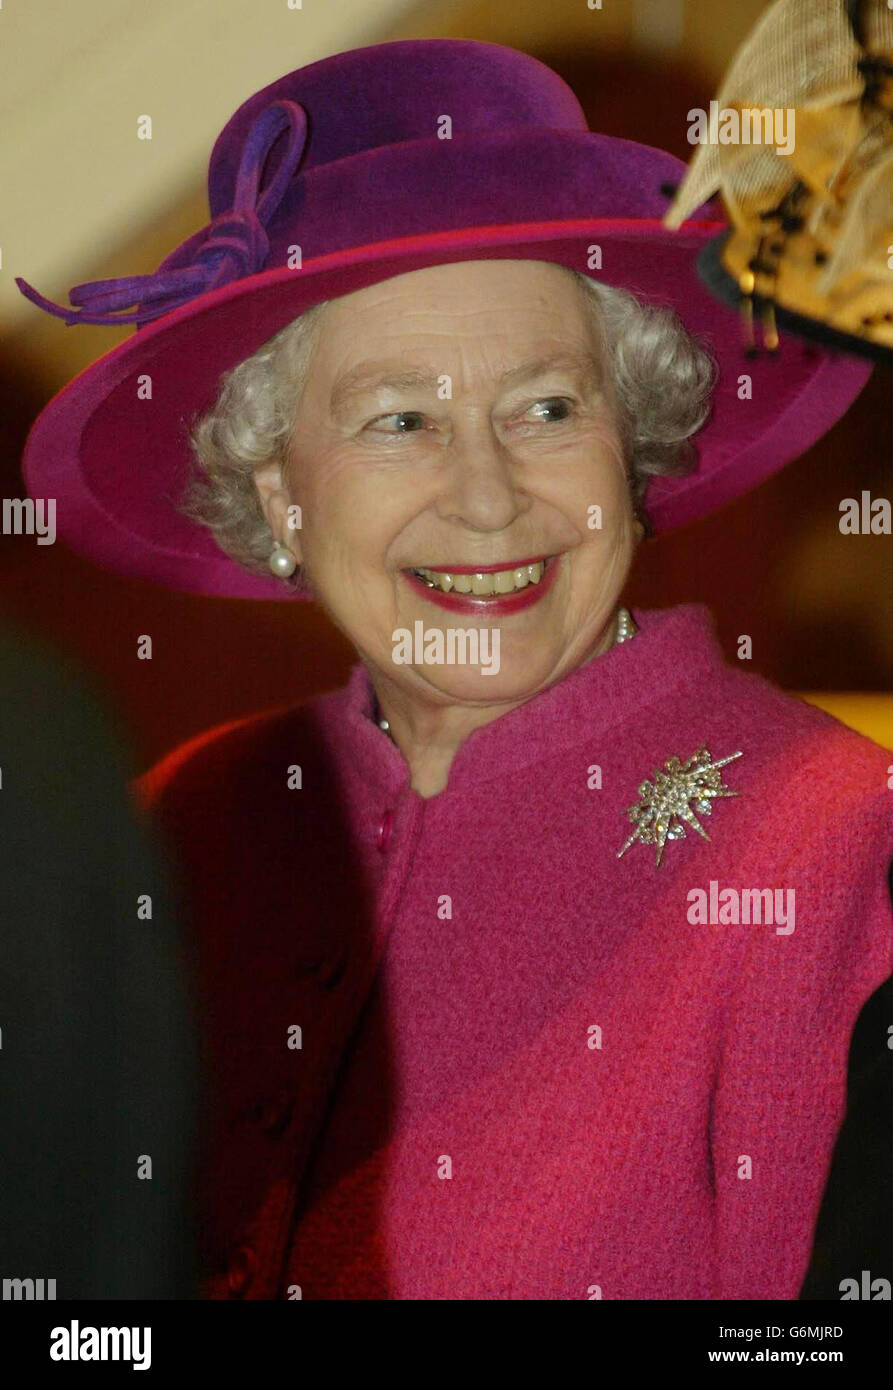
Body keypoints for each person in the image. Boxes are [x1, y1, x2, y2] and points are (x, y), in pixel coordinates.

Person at [16, 37, 892, 1300]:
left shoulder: (831, 847)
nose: (487, 500)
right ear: (279, 488)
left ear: (632, 436)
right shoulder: (185, 823)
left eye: (547, 409)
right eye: (399, 421)